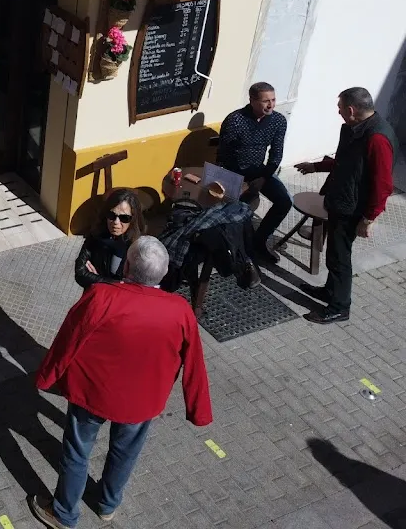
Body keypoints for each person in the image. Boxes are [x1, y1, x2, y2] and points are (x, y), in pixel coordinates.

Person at [30, 237, 212, 529]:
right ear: (164, 273)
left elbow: (69, 337)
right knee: (125, 453)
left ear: (126, 266)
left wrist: (47, 375)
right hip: (142, 400)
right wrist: (198, 409)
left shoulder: (101, 296)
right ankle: (107, 505)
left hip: (92, 392)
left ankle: (64, 513)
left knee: (77, 452)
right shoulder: (180, 310)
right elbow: (195, 364)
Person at [294, 87, 396, 324]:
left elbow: (383, 185)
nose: (338, 112)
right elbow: (346, 162)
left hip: (352, 208)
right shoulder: (354, 128)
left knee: (339, 257)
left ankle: (340, 307)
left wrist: (369, 218)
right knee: (336, 253)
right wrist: (316, 167)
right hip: (340, 201)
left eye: (339, 108)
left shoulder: (377, 138)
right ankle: (330, 291)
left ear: (351, 110)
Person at [216, 81, 292, 263]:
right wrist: (240, 183)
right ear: (252, 101)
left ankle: (260, 240)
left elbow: (276, 154)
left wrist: (264, 178)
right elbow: (224, 154)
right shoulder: (235, 120)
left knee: (284, 202)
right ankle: (231, 248)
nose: (271, 105)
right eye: (266, 101)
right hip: (234, 171)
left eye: (273, 100)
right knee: (235, 210)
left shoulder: (278, 121)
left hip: (259, 171)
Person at [74, 188, 145, 289]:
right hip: (96, 295)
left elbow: (135, 288)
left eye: (124, 218)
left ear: (133, 219)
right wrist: (110, 283)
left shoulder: (139, 247)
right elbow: (80, 273)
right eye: (111, 215)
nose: (116, 222)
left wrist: (96, 279)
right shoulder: (96, 235)